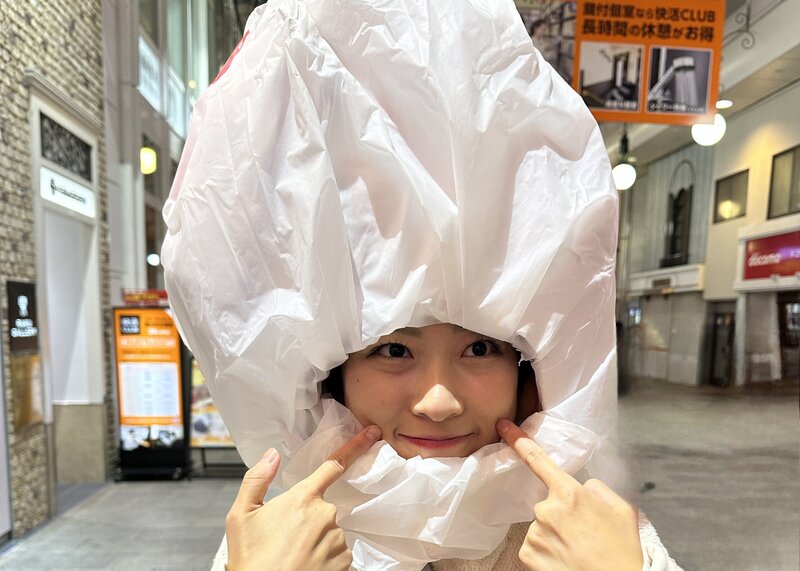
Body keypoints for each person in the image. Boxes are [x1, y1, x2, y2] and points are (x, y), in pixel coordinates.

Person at [161, 1, 683, 569]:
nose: (439, 402)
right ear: (332, 377)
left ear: (527, 373)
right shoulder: (276, 541)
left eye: (479, 348)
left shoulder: (597, 535)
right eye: (393, 350)